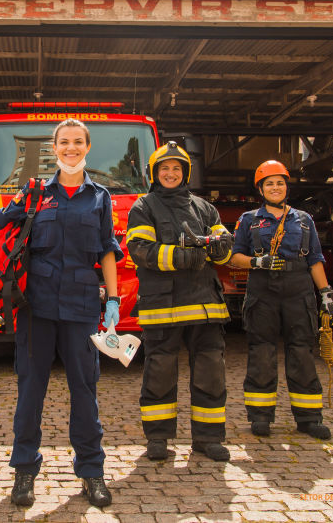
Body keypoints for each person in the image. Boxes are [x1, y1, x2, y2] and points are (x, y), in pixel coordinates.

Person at [0, 118, 123, 508]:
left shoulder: (100, 198)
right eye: (63, 142)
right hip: (35, 306)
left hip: (83, 305)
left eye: (77, 142)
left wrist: (114, 301)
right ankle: (24, 472)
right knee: (30, 389)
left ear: (87, 147)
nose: (70, 148)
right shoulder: (35, 192)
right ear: (55, 148)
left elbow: (107, 250)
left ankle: (92, 471)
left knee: (85, 391)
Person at [125, 141, 233, 462]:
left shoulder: (205, 208)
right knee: (160, 369)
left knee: (210, 369)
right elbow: (140, 249)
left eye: (176, 168)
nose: (170, 173)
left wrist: (219, 247)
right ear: (154, 174)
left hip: (205, 304)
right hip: (162, 306)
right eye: (164, 169)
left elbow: (224, 246)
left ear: (185, 172)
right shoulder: (143, 207)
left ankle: (208, 437)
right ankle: (158, 437)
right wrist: (181, 256)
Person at [229, 160, 333, 440]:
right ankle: (261, 417)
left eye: (280, 183)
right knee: (262, 353)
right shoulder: (248, 219)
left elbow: (315, 259)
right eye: (269, 183)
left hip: (298, 288)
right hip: (263, 289)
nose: (275, 188)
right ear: (261, 189)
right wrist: (257, 261)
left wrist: (326, 294)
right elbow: (232, 258)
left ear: (286, 187)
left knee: (301, 352)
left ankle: (309, 418)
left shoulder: (303, 220)